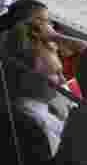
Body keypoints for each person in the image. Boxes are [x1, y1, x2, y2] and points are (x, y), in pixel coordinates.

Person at [1, 19, 70, 154]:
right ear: (27, 76)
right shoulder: (39, 125)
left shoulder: (31, 100)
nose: (63, 80)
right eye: (56, 73)